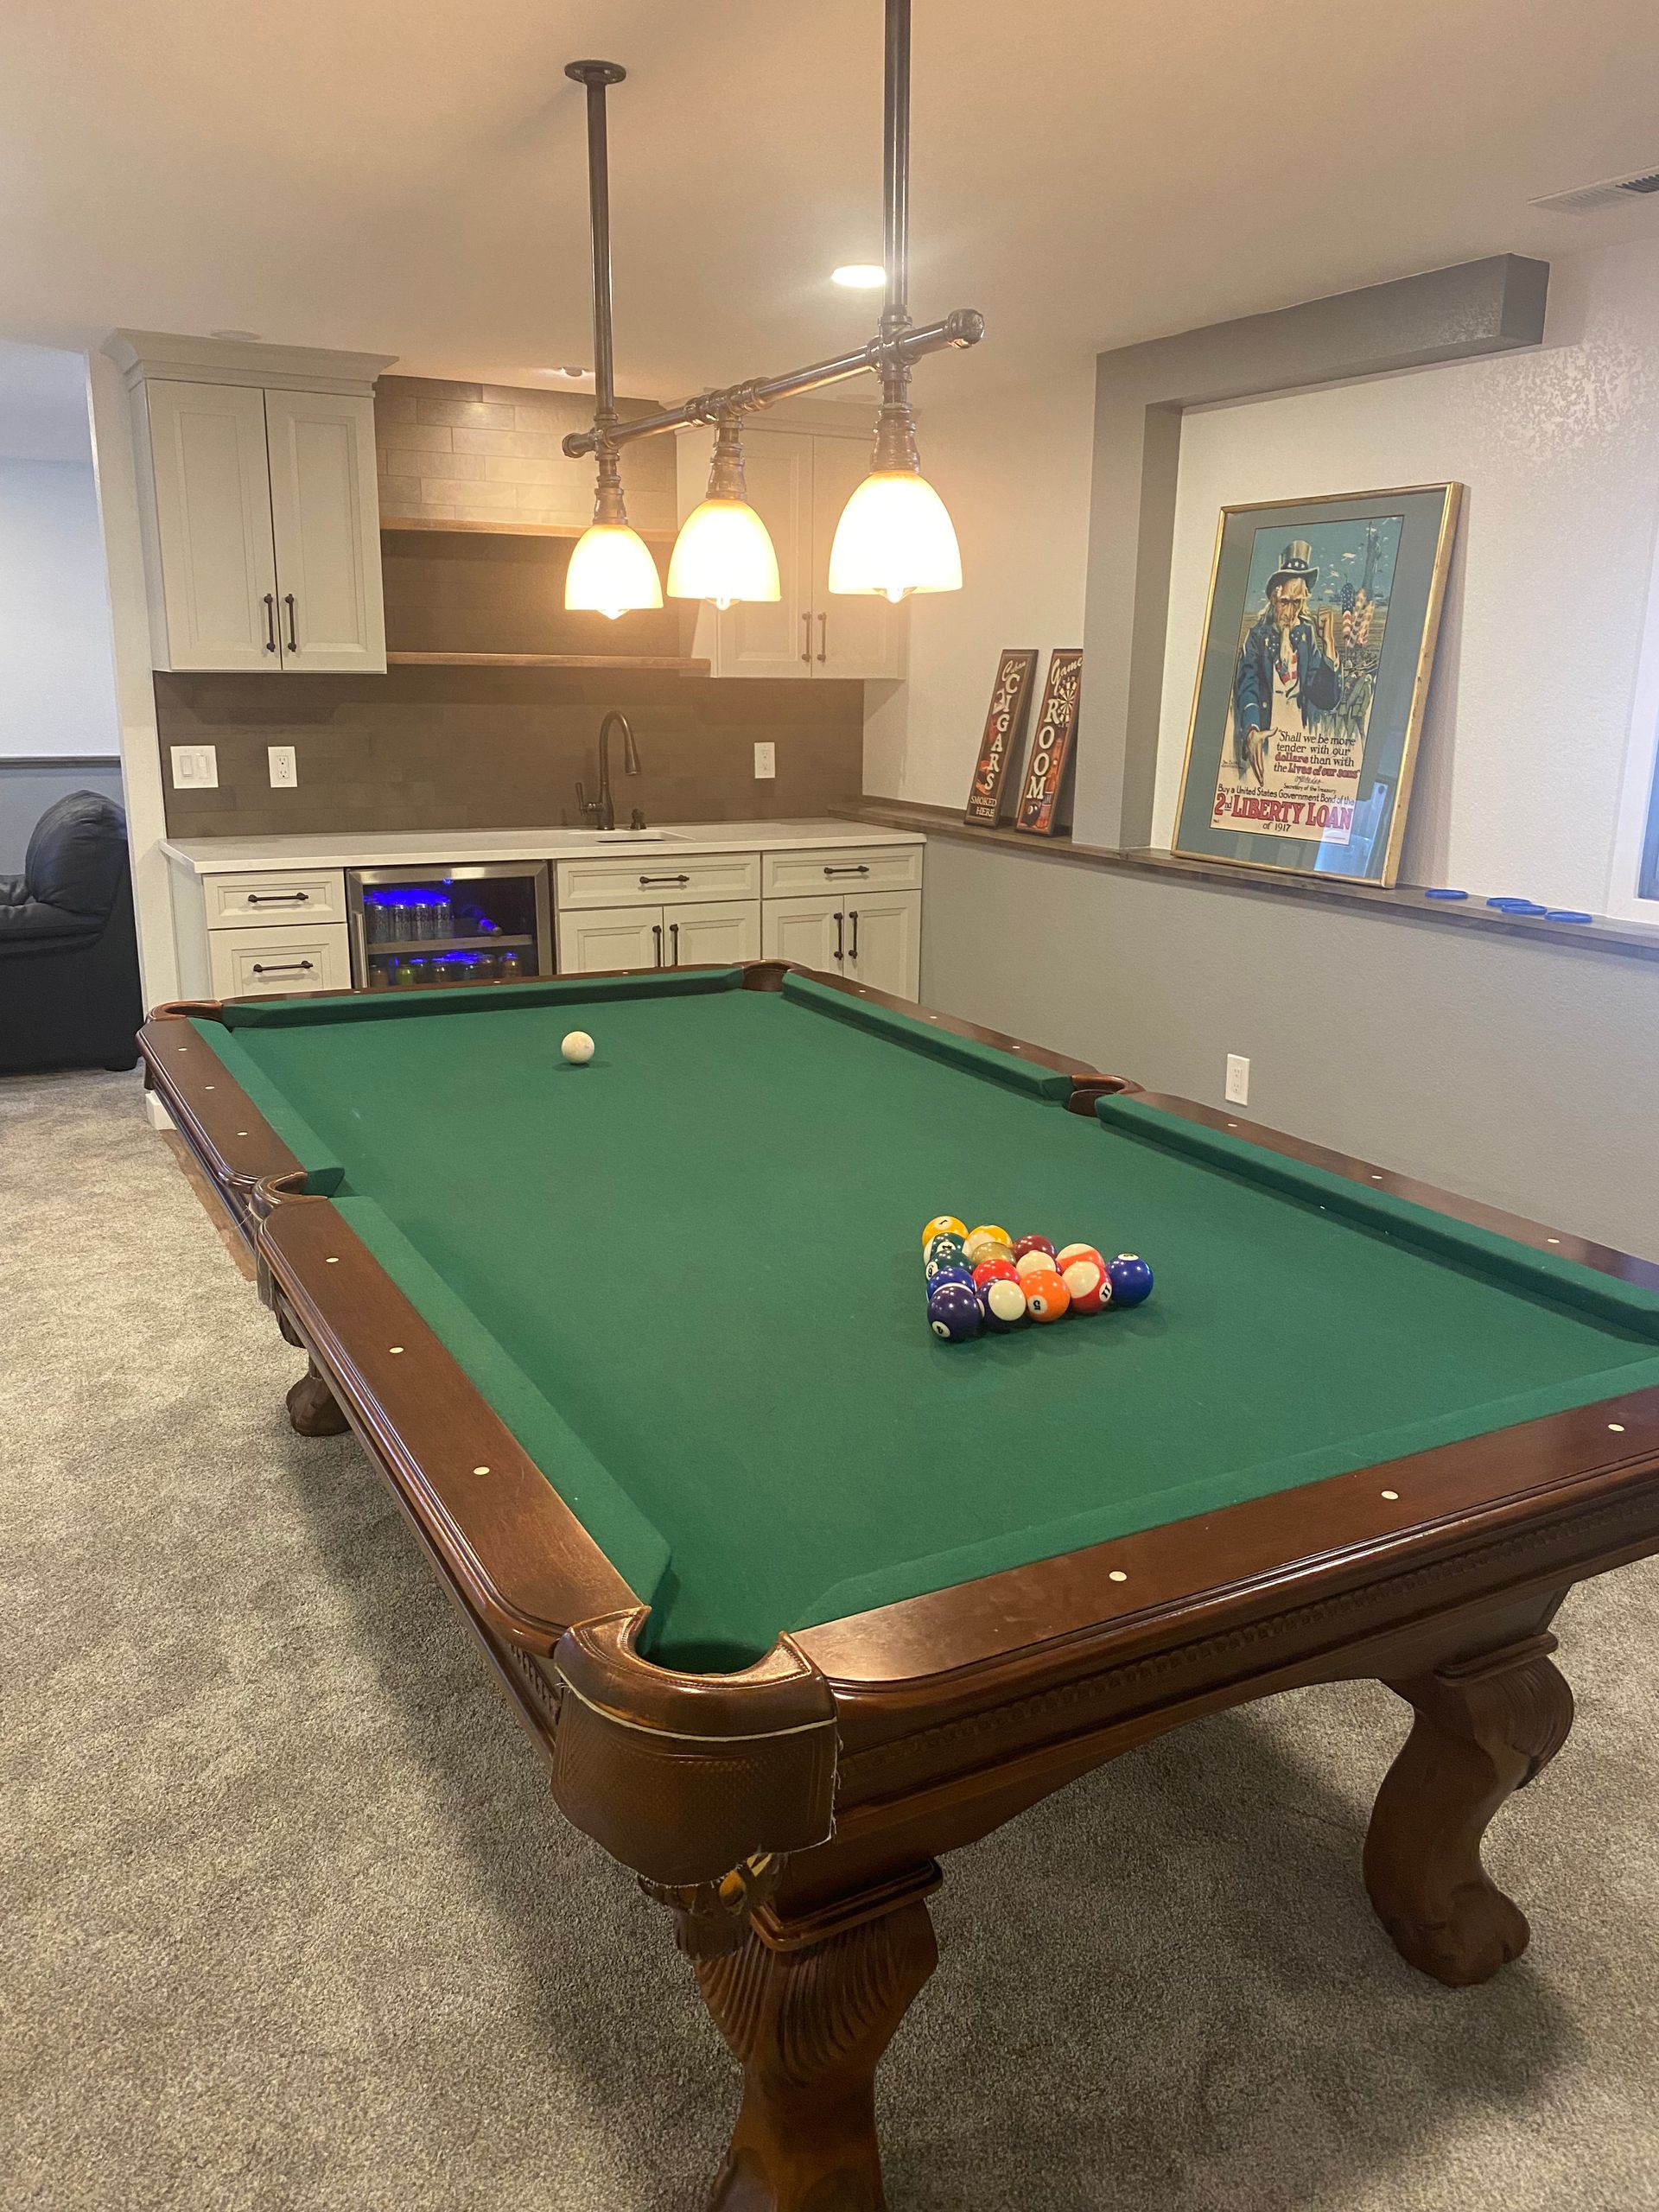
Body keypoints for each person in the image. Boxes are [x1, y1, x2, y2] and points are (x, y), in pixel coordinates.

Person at [1232, 541, 1341, 784]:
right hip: (1264, 740)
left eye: (1297, 603)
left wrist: (1329, 645)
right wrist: (1251, 731)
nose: (1290, 613)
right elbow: (1247, 688)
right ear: (1274, 597)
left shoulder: (1307, 635)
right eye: (1285, 602)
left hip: (1297, 744)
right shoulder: (1257, 638)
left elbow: (1326, 698)